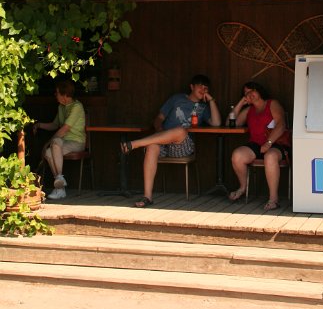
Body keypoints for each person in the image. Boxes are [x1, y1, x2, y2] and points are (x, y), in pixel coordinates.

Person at [121, 74, 221, 208]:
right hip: (163, 141)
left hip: (183, 146)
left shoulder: (203, 107)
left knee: (181, 130)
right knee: (152, 147)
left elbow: (216, 123)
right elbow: (158, 119)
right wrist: (160, 131)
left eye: (206, 87)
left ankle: (136, 144)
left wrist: (211, 100)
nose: (203, 89)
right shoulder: (177, 98)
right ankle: (147, 197)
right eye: (200, 86)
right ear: (191, 87)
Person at [228, 81, 291, 212]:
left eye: (252, 91)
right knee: (237, 155)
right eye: (246, 93)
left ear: (259, 91)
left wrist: (268, 143)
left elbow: (281, 125)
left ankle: (273, 199)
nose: (249, 94)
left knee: (270, 156)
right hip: (256, 145)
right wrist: (241, 102)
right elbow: (231, 122)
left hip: (275, 143)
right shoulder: (249, 110)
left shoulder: (272, 104)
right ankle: (242, 188)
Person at [33, 79, 86, 200]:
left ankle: (59, 185)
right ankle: (60, 183)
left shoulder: (77, 107)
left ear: (65, 95)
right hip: (62, 143)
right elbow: (55, 125)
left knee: (55, 143)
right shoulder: (61, 107)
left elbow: (65, 129)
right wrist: (39, 125)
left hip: (77, 142)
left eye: (57, 92)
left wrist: (48, 142)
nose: (55, 95)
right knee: (48, 152)